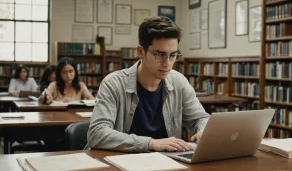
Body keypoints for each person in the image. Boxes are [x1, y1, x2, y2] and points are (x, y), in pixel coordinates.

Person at [88, 16, 210, 153]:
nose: (167, 63)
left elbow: (200, 118)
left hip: (168, 162)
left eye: (173, 55)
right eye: (159, 55)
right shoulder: (113, 84)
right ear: (141, 51)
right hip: (123, 161)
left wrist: (204, 129)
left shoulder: (179, 82)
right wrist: (150, 143)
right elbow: (97, 133)